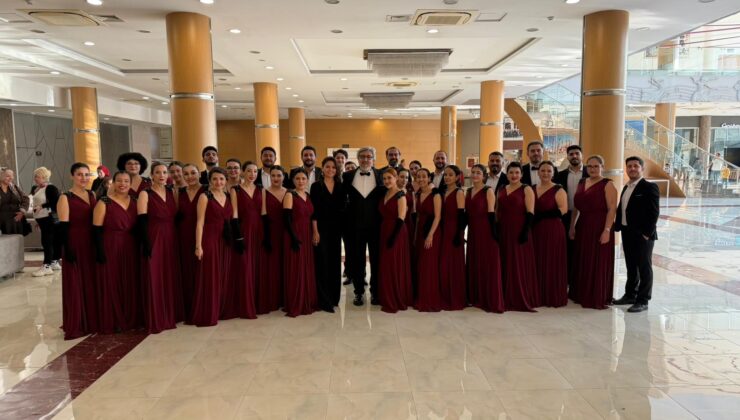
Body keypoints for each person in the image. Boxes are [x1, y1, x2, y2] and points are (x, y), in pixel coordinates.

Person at [93, 171, 140, 333]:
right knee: (112, 281)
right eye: (119, 181)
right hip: (110, 245)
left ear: (130, 184)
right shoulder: (104, 202)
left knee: (130, 281)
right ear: (113, 183)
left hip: (131, 246)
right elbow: (97, 229)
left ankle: (130, 317)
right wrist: (100, 251)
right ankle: (114, 319)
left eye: (126, 181)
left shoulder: (135, 201)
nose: (123, 184)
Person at [137, 162, 182, 334]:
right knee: (154, 275)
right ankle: (157, 317)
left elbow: (176, 215)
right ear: (152, 175)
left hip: (171, 236)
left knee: (169, 274)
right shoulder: (145, 193)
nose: (162, 175)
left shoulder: (172, 191)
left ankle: (171, 314)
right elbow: (142, 221)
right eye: (158, 172)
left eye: (164, 172)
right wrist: (146, 242)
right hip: (154, 236)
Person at [569, 155, 618, 310]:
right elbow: (576, 207)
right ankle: (581, 293)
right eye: (590, 166)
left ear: (602, 167)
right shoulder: (582, 182)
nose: (593, 169)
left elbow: (612, 209)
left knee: (597, 260)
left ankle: (596, 295)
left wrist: (607, 230)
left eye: (596, 166)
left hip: (599, 226)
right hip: (583, 225)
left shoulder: (608, 184)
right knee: (583, 259)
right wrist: (572, 226)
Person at [57, 163, 98, 339]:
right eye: (80, 174)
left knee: (90, 280)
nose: (84, 178)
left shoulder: (92, 194)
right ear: (72, 176)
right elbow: (63, 227)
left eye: (87, 175)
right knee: (76, 282)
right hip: (74, 242)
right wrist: (68, 249)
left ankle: (92, 320)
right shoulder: (65, 197)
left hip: (91, 243)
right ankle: (77, 322)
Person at [613, 156, 660, 313]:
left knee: (644, 267)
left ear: (642, 168)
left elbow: (654, 212)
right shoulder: (627, 187)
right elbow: (623, 208)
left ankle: (643, 300)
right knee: (631, 266)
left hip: (642, 235)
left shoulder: (649, 187)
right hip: (627, 232)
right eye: (629, 166)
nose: (632, 168)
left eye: (635, 166)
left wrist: (646, 234)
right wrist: (618, 226)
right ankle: (630, 295)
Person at [342, 147, 384, 306]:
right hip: (355, 226)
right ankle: (358, 292)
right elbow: (343, 200)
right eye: (362, 157)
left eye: (369, 157)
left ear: (373, 159)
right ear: (358, 159)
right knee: (357, 260)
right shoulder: (347, 176)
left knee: (376, 260)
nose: (365, 159)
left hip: (376, 226)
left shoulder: (381, 175)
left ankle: (375, 292)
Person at [498, 162, 540, 312]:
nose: (514, 175)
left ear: (521, 174)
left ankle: (519, 296)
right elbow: (497, 210)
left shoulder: (526, 189)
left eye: (517, 172)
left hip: (519, 229)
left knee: (517, 262)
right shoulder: (502, 189)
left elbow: (530, 212)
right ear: (507, 174)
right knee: (505, 260)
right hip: (504, 229)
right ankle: (505, 295)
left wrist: (525, 231)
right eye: (511, 172)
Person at [193, 168, 232, 327]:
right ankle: (209, 311)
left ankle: (220, 309)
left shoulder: (227, 196)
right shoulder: (205, 196)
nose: (218, 182)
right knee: (210, 275)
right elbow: (200, 223)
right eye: (215, 179)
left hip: (225, 240)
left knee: (222, 274)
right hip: (210, 239)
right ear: (209, 180)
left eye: (221, 179)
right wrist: (198, 245)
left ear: (226, 180)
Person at [465, 164, 504, 313]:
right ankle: (475, 296)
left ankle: (489, 298)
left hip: (486, 230)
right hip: (473, 231)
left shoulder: (488, 191)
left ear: (484, 176)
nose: (475, 175)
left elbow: (491, 214)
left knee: (487, 263)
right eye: (473, 172)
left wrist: (494, 234)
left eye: (478, 173)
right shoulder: (468, 191)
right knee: (475, 261)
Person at [310, 157, 346, 312]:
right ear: (322, 168)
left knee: (334, 263)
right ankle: (324, 300)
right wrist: (315, 231)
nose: (331, 169)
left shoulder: (340, 186)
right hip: (321, 229)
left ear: (336, 170)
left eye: (333, 167)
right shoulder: (315, 186)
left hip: (336, 230)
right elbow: (314, 211)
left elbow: (343, 209)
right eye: (327, 166)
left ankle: (334, 298)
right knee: (322, 263)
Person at [282, 169, 318, 317]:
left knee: (306, 267)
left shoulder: (308, 195)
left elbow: (313, 216)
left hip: (307, 234)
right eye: (297, 178)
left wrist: (315, 232)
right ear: (293, 180)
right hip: (294, 235)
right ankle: (296, 301)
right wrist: (293, 238)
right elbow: (286, 219)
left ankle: (306, 299)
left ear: (307, 180)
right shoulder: (290, 195)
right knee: (296, 268)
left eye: (303, 178)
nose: (301, 181)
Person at [533, 161, 568, 307]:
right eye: (543, 170)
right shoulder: (532, 188)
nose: (545, 173)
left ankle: (551, 295)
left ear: (553, 173)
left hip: (553, 229)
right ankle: (537, 294)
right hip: (535, 230)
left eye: (549, 171)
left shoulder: (559, 189)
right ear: (538, 172)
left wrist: (541, 215)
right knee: (537, 260)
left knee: (551, 261)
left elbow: (563, 210)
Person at [228, 161, 260, 320]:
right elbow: (234, 215)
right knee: (245, 267)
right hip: (244, 231)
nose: (252, 174)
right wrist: (239, 236)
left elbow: (264, 214)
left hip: (259, 231)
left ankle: (257, 303)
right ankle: (245, 305)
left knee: (257, 267)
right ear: (242, 172)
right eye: (249, 171)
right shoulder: (235, 190)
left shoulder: (261, 189)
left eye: (255, 171)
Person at [378, 168, 412, 313]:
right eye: (384, 178)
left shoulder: (400, 195)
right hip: (385, 230)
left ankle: (396, 297)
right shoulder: (385, 193)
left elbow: (401, 218)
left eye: (389, 178)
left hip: (396, 233)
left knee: (393, 264)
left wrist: (393, 237)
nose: (386, 181)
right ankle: (386, 296)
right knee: (386, 265)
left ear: (396, 177)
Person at [554, 145, 587, 297]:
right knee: (567, 249)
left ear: (581, 155)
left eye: (577, 153)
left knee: (583, 250)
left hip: (586, 216)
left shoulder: (590, 173)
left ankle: (581, 283)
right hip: (565, 216)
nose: (574, 156)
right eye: (571, 154)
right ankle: (567, 283)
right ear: (567, 157)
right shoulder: (560, 175)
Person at [176, 163, 205, 323]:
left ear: (199, 173)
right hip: (184, 235)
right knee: (187, 270)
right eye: (186, 174)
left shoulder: (207, 190)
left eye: (193, 173)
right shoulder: (179, 193)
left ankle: (203, 305)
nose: (190, 177)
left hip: (203, 235)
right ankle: (189, 307)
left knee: (202, 271)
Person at [258, 166, 288, 314]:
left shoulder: (289, 192)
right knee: (273, 266)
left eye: (279, 175)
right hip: (271, 232)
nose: (276, 178)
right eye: (273, 175)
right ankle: (274, 298)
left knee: (286, 264)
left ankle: (285, 298)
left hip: (286, 232)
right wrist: (267, 236)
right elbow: (263, 214)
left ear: (284, 177)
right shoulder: (264, 191)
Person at [414, 168, 442, 312]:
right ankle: (421, 295)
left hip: (432, 232)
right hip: (420, 231)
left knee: (428, 264)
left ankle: (429, 298)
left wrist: (430, 235)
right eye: (418, 177)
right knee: (421, 264)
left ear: (429, 178)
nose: (421, 179)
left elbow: (438, 216)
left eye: (424, 176)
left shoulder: (435, 194)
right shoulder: (418, 194)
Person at [439, 165, 466, 311]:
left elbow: (462, 216)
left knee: (453, 264)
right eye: (445, 175)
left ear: (457, 177)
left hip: (454, 230)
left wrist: (459, 234)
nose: (447, 177)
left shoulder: (459, 192)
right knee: (444, 263)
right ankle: (444, 294)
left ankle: (455, 296)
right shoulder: (443, 191)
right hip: (443, 230)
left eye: (450, 175)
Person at [30, 167, 61, 276]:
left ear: (44, 177)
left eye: (37, 176)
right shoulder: (36, 188)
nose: (35, 178)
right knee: (49, 241)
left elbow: (56, 202)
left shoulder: (51, 188)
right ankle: (53, 262)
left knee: (47, 242)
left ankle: (47, 265)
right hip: (42, 219)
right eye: (35, 176)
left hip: (49, 219)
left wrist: (42, 206)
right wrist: (37, 220)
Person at [0, 168, 29, 235]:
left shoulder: (14, 187)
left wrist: (22, 211)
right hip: (2, 221)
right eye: (8, 176)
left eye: (12, 176)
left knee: (17, 239)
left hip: (16, 219)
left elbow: (26, 198)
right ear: (1, 176)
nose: (11, 178)